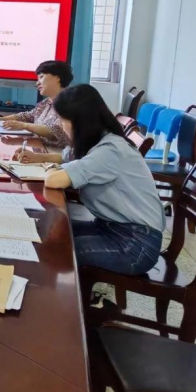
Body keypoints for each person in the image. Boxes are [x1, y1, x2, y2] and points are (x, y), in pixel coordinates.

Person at [43, 84, 165, 276]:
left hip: (135, 244)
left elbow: (53, 180)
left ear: (79, 122)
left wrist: (51, 169)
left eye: (62, 120)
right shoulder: (99, 140)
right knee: (49, 231)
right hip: (111, 227)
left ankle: (60, 295)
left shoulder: (110, 150)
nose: (60, 125)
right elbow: (68, 159)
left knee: (58, 250)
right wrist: (45, 161)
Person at [0, 60, 73, 148]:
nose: (37, 83)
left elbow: (57, 131)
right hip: (39, 149)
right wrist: (2, 119)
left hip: (59, 153)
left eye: (41, 77)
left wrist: (24, 126)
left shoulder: (71, 103)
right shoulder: (45, 103)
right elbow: (28, 116)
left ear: (57, 77)